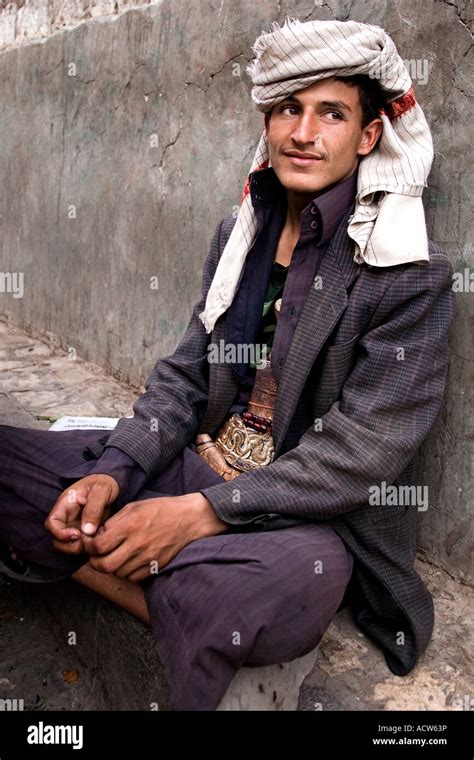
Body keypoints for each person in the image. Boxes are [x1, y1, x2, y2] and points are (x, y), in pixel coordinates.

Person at [0, 18, 454, 710]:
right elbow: (185, 379)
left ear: (368, 137)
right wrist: (111, 473)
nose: (304, 133)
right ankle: (142, 560)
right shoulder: (239, 235)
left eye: (331, 113)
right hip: (197, 466)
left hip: (304, 519)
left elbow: (360, 454)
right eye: (287, 109)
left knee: (281, 582)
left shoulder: (405, 274)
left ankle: (118, 559)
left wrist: (197, 516)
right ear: (267, 124)